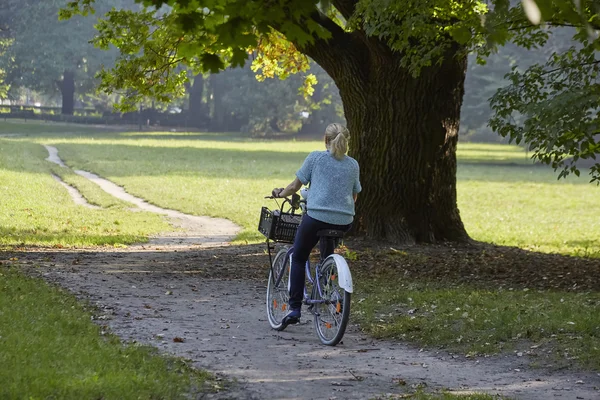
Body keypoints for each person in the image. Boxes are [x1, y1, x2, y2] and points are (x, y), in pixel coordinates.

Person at [271, 123, 361, 329]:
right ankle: (326, 290)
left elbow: (295, 187)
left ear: (325, 140)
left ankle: (294, 308)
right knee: (326, 254)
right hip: (344, 221)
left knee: (299, 256)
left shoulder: (316, 158)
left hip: (316, 218)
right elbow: (354, 195)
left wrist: (279, 193)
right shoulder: (353, 165)